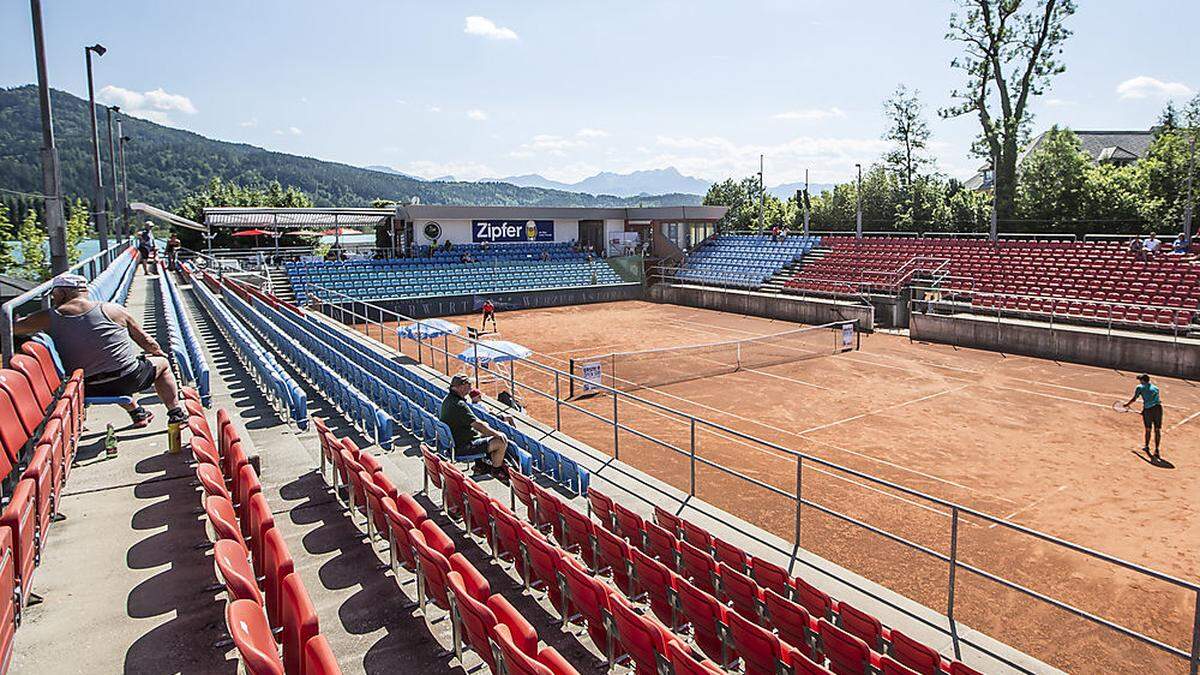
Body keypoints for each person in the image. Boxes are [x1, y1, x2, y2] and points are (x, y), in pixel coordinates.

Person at [14, 273, 185, 429]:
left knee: (104, 367)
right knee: (161, 363)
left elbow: (14, 328)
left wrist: (15, 319)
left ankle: (137, 413)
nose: (53, 297)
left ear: (61, 293)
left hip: (86, 386)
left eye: (54, 294)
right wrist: (158, 353)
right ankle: (176, 414)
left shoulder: (48, 317)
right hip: (128, 379)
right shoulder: (113, 310)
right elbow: (148, 342)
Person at [439, 374, 509, 478]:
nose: (471, 387)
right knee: (501, 441)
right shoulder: (458, 404)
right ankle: (496, 470)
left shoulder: (448, 400)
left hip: (456, 442)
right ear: (462, 386)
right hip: (463, 447)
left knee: (484, 432)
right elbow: (477, 425)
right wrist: (497, 434)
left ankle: (480, 466)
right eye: (469, 384)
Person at [1124, 373, 1164, 461]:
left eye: (1140, 380)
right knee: (1157, 429)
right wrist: (1144, 410)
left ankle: (1146, 446)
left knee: (1148, 429)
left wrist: (1127, 405)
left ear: (1142, 380)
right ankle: (1157, 450)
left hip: (1148, 410)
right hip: (1158, 409)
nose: (1139, 381)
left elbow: (1134, 399)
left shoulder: (1140, 387)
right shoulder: (1156, 388)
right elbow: (1153, 400)